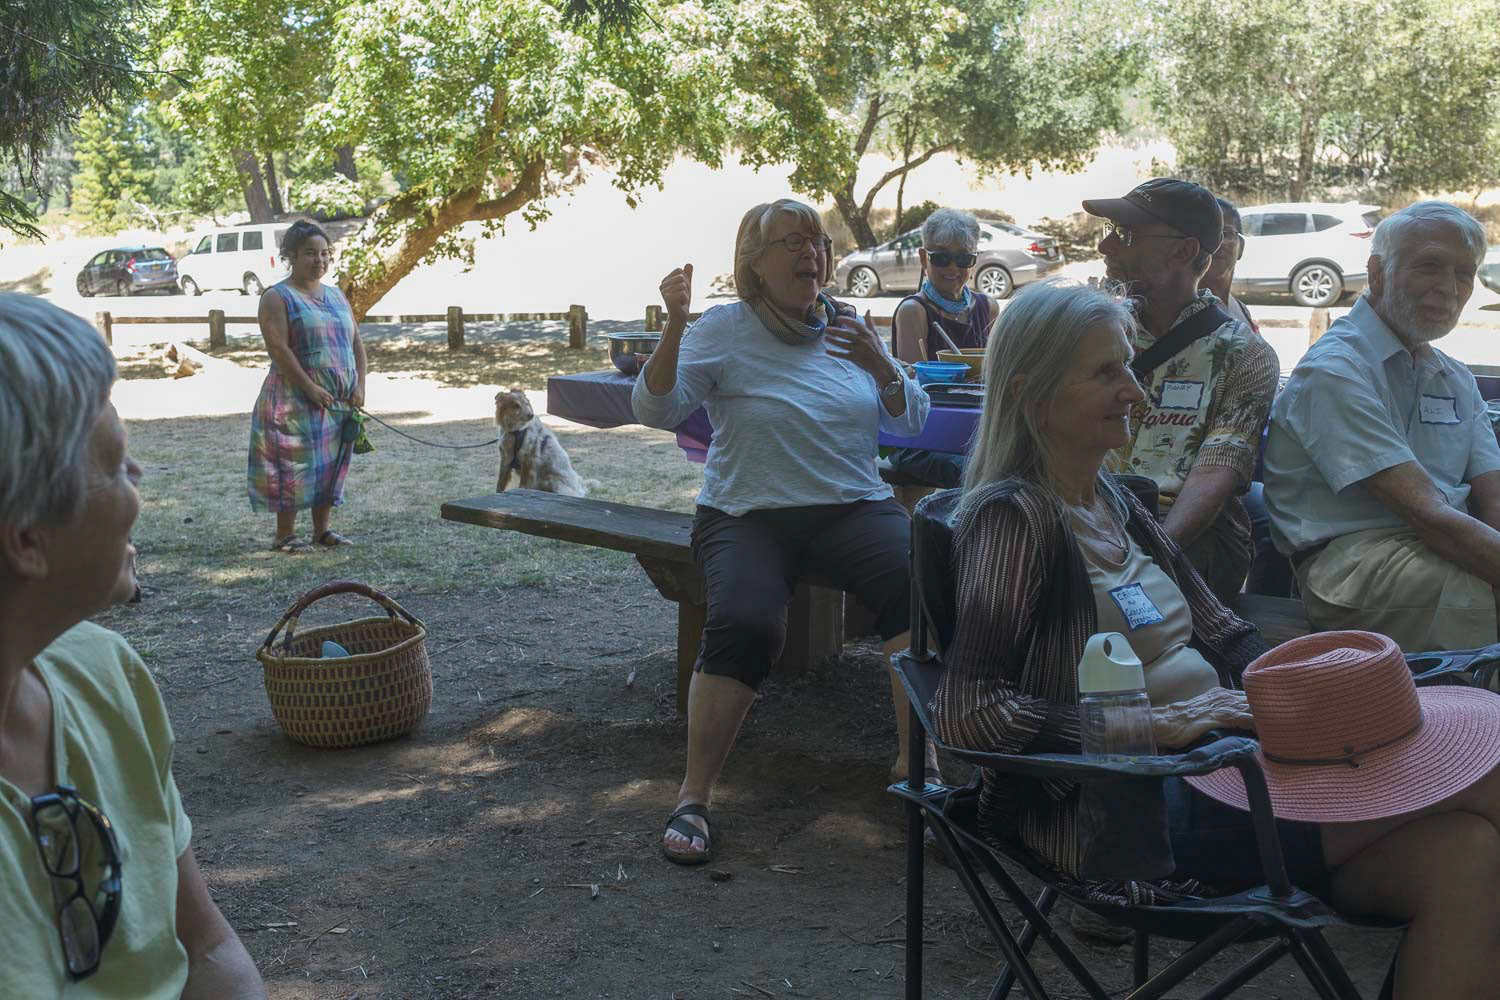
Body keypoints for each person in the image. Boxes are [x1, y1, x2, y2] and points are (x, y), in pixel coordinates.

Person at [938, 279, 1500, 998]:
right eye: (1106, 372)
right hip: (1130, 809)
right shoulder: (1013, 519)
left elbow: (1227, 635)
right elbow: (969, 713)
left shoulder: (1112, 499)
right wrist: (1163, 724)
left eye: (1128, 365)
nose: (1135, 390)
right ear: (1030, 393)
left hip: (1226, 770)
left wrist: (1323, 693)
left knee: (1466, 855)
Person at [633, 198, 931, 865]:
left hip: (853, 505)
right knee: (745, 622)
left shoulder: (849, 325)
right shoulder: (723, 327)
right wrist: (674, 326)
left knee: (921, 584)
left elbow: (911, 420)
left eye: (818, 242)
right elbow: (655, 408)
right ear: (754, 263)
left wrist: (881, 363)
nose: (811, 254)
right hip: (748, 511)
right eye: (792, 243)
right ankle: (694, 795)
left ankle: (918, 768)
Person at [0, 294, 266, 996]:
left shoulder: (103, 671)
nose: (139, 479)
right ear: (26, 538)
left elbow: (205, 947)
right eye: (116, 463)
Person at [1263, 201, 1497, 652]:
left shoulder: (1454, 376)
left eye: (1464, 274)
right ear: (1377, 273)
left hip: (1445, 541)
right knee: (1482, 594)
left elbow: (1494, 496)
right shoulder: (1335, 370)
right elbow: (1425, 513)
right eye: (1429, 266)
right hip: (1356, 564)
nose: (1449, 288)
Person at [1084, 178, 1279, 601]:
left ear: (1184, 251)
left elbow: (1215, 473)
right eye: (1110, 231)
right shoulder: (1093, 334)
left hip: (1188, 535)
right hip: (1090, 516)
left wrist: (1145, 558)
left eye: (1126, 235)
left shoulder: (1244, 354)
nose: (1106, 247)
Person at [247, 220, 367, 552]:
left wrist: (360, 385)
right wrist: (310, 387)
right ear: (292, 256)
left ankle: (322, 531)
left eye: (325, 253)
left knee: (329, 464)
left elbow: (356, 343)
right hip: (293, 398)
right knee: (292, 464)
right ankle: (284, 534)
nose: (319, 260)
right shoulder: (277, 297)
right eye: (310, 253)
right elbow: (278, 349)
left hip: (338, 400)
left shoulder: (337, 295)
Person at [886, 208, 995, 489]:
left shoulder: (988, 308)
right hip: (921, 438)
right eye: (941, 258)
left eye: (963, 258)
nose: (953, 268)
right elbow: (916, 390)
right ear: (924, 258)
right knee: (983, 473)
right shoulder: (914, 311)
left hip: (974, 433)